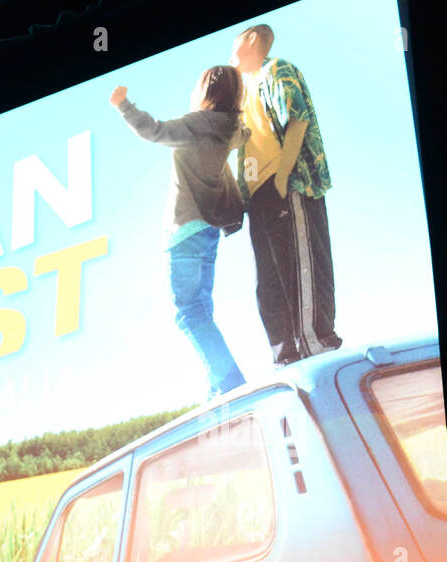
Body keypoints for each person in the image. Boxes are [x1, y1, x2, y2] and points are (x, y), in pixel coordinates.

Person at [110, 67, 250, 399]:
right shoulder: (230, 129)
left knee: (189, 314)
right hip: (209, 230)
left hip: (185, 229)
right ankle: (218, 389)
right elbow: (245, 135)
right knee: (201, 309)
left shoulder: (197, 124)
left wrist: (122, 104)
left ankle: (231, 386)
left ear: (206, 91)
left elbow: (154, 131)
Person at [229, 24, 340, 366]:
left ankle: (316, 344)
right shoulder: (241, 92)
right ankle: (286, 355)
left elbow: (296, 120)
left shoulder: (276, 70)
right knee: (270, 281)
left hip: (288, 186)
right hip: (258, 198)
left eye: (235, 40)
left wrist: (282, 178)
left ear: (250, 39)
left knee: (300, 268)